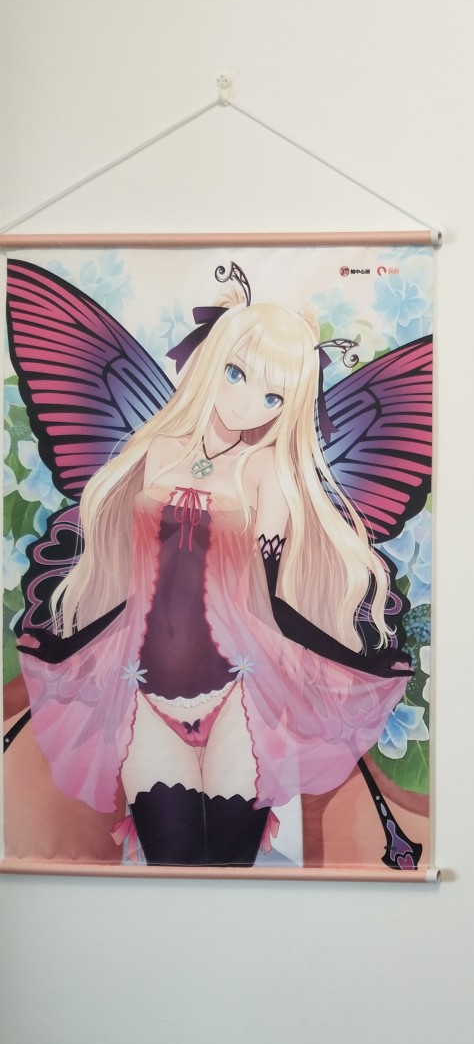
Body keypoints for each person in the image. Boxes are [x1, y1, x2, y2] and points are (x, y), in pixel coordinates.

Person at [19, 279, 412, 866]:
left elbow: (268, 595)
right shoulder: (156, 451)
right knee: (171, 867)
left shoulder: (267, 472)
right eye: (236, 374)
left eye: (273, 397)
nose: (248, 403)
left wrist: (344, 662)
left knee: (230, 872)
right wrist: (70, 640)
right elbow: (125, 564)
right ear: (212, 361)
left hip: (240, 697)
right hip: (142, 688)